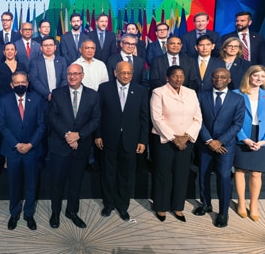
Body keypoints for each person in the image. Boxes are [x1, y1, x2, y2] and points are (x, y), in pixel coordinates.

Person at [48, 63, 100, 229]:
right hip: (60, 145)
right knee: (57, 182)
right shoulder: (57, 94)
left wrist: (79, 135)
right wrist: (68, 135)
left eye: (76, 73)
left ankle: (72, 211)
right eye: (70, 73)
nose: (72, 76)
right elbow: (52, 117)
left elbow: (96, 119)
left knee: (76, 182)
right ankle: (55, 212)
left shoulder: (93, 95)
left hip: (81, 146)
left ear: (82, 75)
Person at [96, 61, 149, 221]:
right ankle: (108, 204)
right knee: (109, 173)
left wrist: (143, 141)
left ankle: (122, 206)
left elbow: (144, 117)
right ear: (115, 73)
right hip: (108, 138)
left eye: (129, 73)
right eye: (123, 73)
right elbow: (98, 114)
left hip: (131, 140)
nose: (126, 76)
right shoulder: (104, 88)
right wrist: (97, 135)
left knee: (126, 175)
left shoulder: (140, 90)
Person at [150, 65, 202, 222]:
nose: (178, 79)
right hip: (165, 140)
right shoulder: (158, 92)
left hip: (186, 141)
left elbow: (198, 118)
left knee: (182, 174)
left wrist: (186, 136)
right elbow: (157, 118)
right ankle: (161, 206)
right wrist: (174, 138)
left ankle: (178, 207)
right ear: (167, 77)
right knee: (163, 174)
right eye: (175, 76)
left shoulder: (191, 93)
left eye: (181, 76)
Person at [195, 68, 244, 227]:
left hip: (225, 146)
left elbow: (237, 124)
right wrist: (209, 140)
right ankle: (205, 204)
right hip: (205, 143)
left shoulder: (237, 99)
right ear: (211, 78)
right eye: (215, 77)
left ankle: (223, 213)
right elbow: (198, 119)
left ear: (229, 79)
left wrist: (220, 141)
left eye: (223, 77)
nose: (219, 79)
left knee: (223, 177)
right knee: (203, 175)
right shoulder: (201, 95)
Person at [0, 71, 45, 230]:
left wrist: (30, 144)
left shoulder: (37, 100)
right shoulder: (4, 101)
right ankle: (14, 213)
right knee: (14, 184)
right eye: (17, 82)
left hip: (32, 150)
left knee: (31, 183)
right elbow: (2, 126)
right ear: (11, 85)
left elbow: (41, 125)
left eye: (23, 82)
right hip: (13, 150)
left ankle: (29, 214)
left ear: (27, 83)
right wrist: (17, 144)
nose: (20, 85)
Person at [233, 65, 265, 221]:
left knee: (256, 173)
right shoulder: (236, 94)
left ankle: (253, 205)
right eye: (256, 76)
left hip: (261, 137)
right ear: (249, 76)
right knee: (240, 170)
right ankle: (240, 202)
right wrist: (244, 138)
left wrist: (263, 141)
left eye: (262, 76)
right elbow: (232, 120)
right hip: (242, 135)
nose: (259, 79)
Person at [29, 36, 67, 102]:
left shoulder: (62, 60)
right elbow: (34, 80)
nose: (48, 47)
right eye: (46, 45)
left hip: (60, 98)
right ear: (41, 48)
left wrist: (57, 94)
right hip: (41, 98)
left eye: (51, 45)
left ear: (55, 47)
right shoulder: (35, 62)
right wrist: (48, 94)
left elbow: (65, 79)